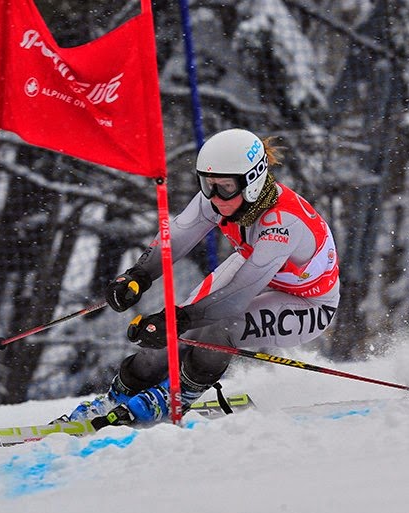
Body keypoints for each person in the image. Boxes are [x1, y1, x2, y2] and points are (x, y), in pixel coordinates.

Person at [65, 128, 340, 426]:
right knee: (173, 337)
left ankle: (179, 396)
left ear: (253, 183)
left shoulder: (283, 223)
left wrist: (177, 319)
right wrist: (138, 276)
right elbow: (177, 237)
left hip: (309, 303)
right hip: (256, 271)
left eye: (224, 187)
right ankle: (117, 396)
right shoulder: (218, 199)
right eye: (208, 185)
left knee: (220, 326)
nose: (214, 196)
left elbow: (237, 296)